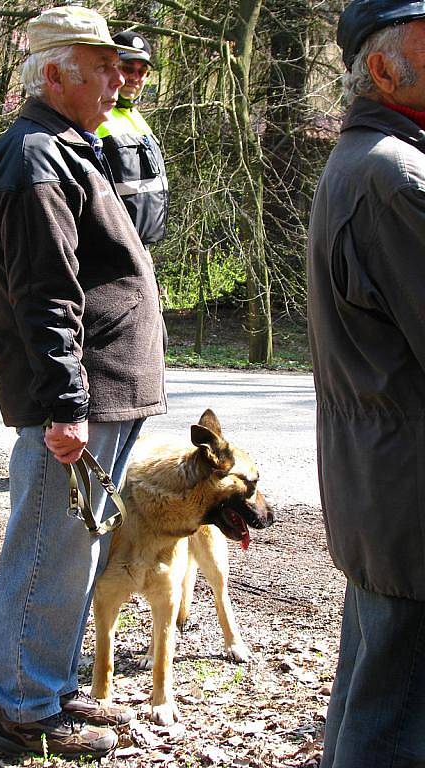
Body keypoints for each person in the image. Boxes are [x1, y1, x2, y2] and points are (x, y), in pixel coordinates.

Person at [0, 6, 166, 759]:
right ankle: (25, 706)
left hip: (103, 393)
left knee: (76, 547)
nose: (121, 78)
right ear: (55, 73)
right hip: (79, 402)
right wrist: (64, 407)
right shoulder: (34, 161)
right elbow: (46, 297)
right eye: (104, 66)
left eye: (121, 65)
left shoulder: (68, 147)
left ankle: (49, 691)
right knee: (49, 548)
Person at [307, 2, 425, 766]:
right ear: (381, 69)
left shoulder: (376, 163)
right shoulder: (394, 175)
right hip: (411, 500)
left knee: (373, 700)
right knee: (395, 725)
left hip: (388, 494)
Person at [96, 31, 169, 246]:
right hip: (113, 248)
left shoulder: (136, 117)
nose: (135, 77)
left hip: (143, 245)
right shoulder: (96, 114)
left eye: (143, 71)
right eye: (128, 68)